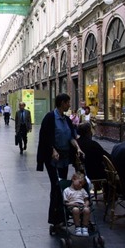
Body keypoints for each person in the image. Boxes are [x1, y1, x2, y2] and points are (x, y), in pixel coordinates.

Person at [36, 93, 85, 227]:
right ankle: (55, 218)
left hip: (64, 157)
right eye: (68, 102)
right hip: (52, 158)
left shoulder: (67, 119)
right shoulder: (50, 118)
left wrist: (78, 148)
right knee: (56, 185)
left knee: (63, 184)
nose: (69, 105)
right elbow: (45, 138)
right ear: (62, 103)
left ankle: (63, 215)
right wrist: (53, 150)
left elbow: (71, 137)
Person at [63, 172, 91, 237]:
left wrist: (86, 204)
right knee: (75, 210)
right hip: (72, 206)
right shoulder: (67, 190)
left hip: (82, 205)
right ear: (73, 179)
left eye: (82, 184)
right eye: (80, 182)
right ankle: (77, 227)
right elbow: (65, 202)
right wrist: (71, 203)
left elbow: (86, 200)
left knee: (87, 210)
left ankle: (85, 227)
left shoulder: (82, 190)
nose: (81, 185)